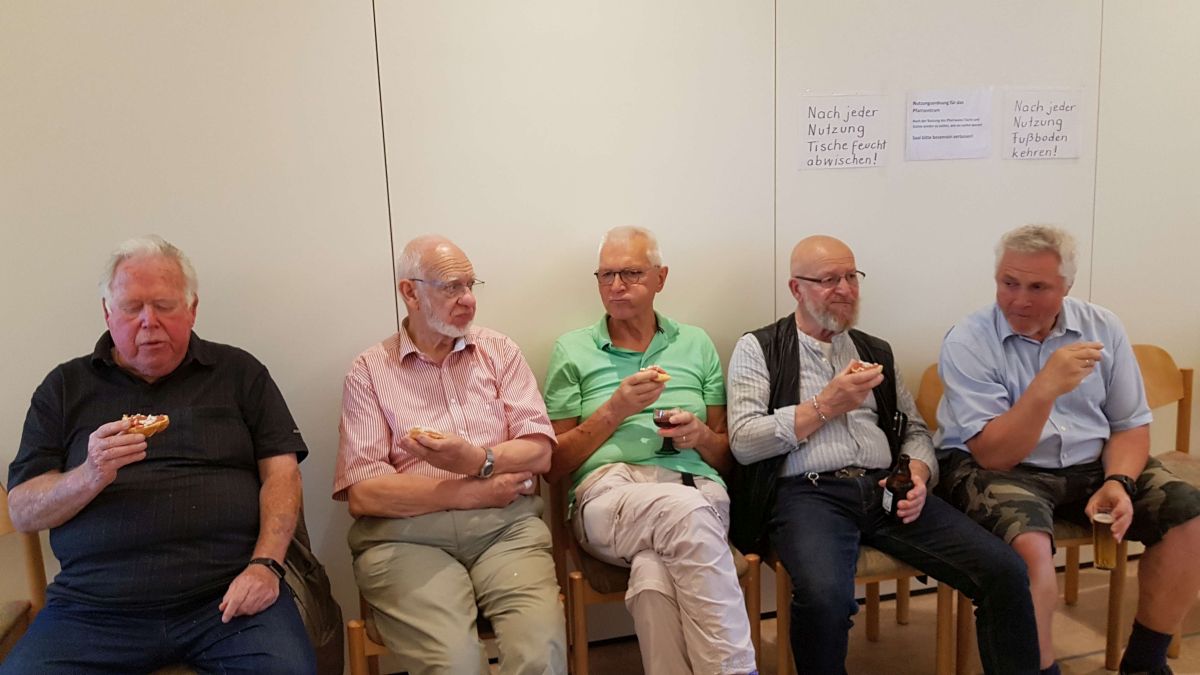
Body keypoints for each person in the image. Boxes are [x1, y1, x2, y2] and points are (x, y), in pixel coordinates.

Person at [727, 235, 1040, 675]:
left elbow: (914, 430)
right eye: (829, 280)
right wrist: (825, 405)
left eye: (851, 277)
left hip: (886, 487)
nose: (844, 289)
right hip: (808, 494)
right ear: (796, 288)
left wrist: (918, 472)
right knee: (825, 599)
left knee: (1004, 570)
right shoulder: (759, 348)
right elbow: (743, 442)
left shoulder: (875, 351)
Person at [3, 235, 315, 674]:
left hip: (226, 595)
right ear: (108, 313)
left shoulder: (240, 373)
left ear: (192, 309)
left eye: (165, 306)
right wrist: (89, 474)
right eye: (132, 308)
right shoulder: (64, 388)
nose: (149, 321)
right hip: (93, 609)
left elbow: (283, 475)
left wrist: (265, 565)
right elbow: (22, 512)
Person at [936, 224, 1200, 675]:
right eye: (1008, 283)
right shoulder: (968, 339)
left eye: (1038, 287)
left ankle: (1145, 661)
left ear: (1067, 286)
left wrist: (1119, 481)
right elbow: (994, 454)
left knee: (1189, 517)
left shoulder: (1102, 326)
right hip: (998, 467)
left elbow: (1130, 424)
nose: (1019, 299)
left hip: (1091, 462)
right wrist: (1044, 388)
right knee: (1030, 549)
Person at [334, 235, 565, 675]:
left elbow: (539, 452)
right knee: (455, 664)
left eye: (470, 285)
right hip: (406, 539)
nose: (468, 299)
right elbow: (364, 495)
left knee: (541, 652)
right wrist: (471, 492)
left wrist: (476, 460)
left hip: (506, 530)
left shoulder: (499, 351)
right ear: (410, 292)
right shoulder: (369, 371)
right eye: (451, 287)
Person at [542, 226, 758, 675]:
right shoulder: (573, 349)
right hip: (608, 494)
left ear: (661, 277)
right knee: (686, 513)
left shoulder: (695, 343)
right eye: (606, 275)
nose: (616, 286)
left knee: (653, 575)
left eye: (631, 273)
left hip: (696, 486)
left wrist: (699, 436)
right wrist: (615, 410)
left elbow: (726, 457)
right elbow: (553, 464)